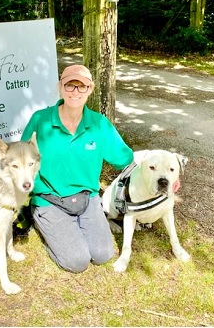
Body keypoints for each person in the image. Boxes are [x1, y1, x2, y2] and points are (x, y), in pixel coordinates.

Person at [21, 64, 134, 273]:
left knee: (103, 255)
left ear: (90, 89)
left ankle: (72, 227)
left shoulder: (99, 124)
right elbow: (21, 158)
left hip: (86, 198)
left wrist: (164, 172)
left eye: (81, 86)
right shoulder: (41, 119)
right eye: (69, 85)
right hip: (49, 199)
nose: (75, 91)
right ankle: (42, 221)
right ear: (60, 87)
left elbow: (127, 160)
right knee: (78, 261)